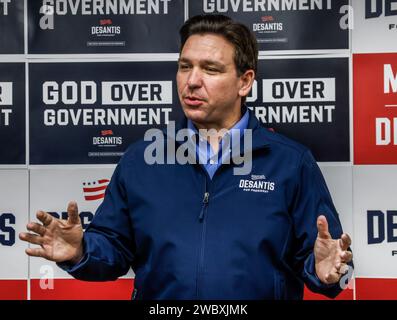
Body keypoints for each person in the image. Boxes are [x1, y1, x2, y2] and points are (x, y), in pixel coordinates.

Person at [19, 14, 353, 300]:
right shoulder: (141, 161)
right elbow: (114, 250)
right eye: (184, 66)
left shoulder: (291, 163)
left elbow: (328, 261)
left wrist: (327, 272)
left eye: (210, 69)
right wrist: (81, 252)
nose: (191, 81)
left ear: (245, 82)